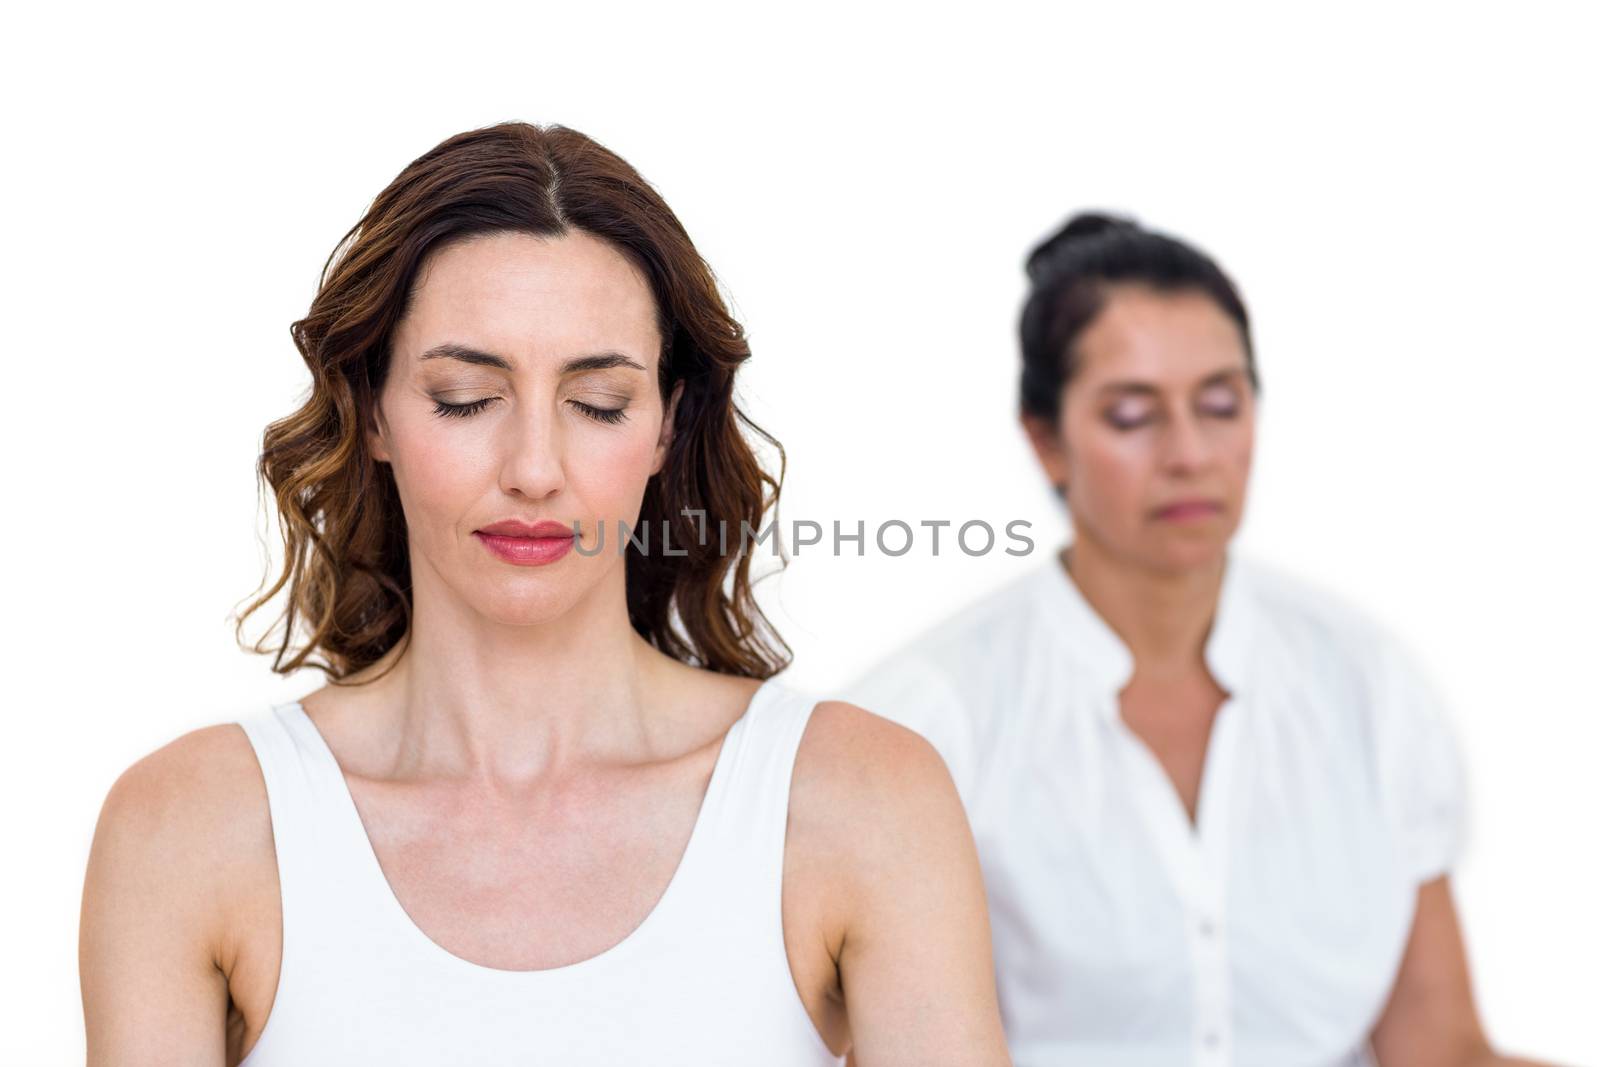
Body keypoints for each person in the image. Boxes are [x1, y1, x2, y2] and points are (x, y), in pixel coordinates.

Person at [79, 122, 1009, 1067]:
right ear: (372, 411)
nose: (534, 469)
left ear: (663, 427)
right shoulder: (189, 827)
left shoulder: (864, 803)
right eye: (464, 398)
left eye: (597, 404)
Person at [843, 213, 1553, 1066]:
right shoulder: (924, 720)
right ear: (1045, 439)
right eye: (1133, 414)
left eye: (1220, 404)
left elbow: (1439, 1049)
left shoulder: (1370, 685)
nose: (1189, 453)